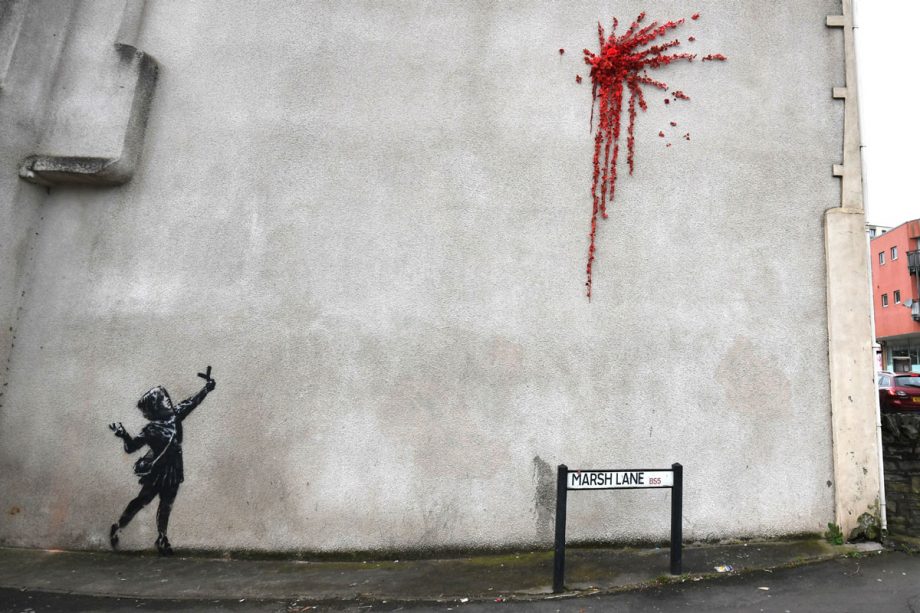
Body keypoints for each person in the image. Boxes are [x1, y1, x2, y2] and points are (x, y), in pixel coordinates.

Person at [108, 370, 216, 555]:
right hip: (158, 470)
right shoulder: (152, 428)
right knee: (143, 500)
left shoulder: (175, 415)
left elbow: (193, 401)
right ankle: (119, 526)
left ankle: (162, 538)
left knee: (166, 504)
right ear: (156, 407)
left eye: (166, 398)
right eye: (164, 400)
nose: (168, 401)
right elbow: (131, 447)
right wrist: (123, 434)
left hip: (173, 469)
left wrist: (207, 388)